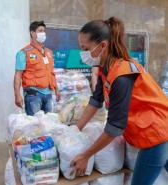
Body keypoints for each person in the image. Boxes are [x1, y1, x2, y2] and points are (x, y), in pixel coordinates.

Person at [71, 17, 168, 185]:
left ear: (102, 46)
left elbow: (115, 127)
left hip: (157, 133)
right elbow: (96, 100)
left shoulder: (122, 75)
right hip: (155, 129)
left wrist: (86, 155)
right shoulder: (105, 68)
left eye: (85, 48)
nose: (82, 54)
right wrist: (75, 130)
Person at [14, 21, 60, 115]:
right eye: (40, 31)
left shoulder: (49, 52)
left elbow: (51, 73)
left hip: (48, 94)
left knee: (48, 125)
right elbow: (18, 75)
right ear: (32, 33)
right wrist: (17, 95)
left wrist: (57, 90)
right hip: (33, 95)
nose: (43, 33)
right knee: (34, 127)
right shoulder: (23, 53)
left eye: (44, 31)